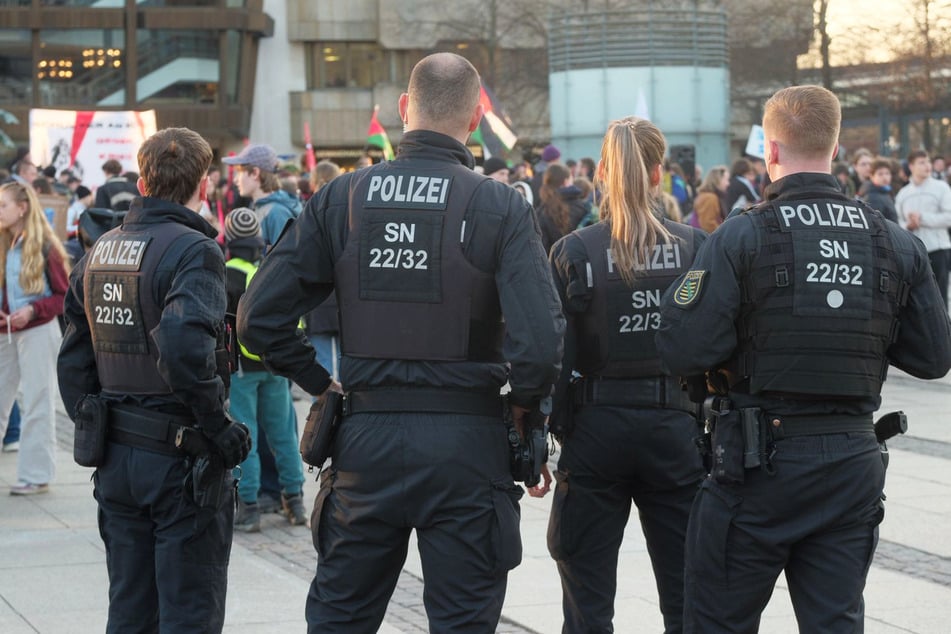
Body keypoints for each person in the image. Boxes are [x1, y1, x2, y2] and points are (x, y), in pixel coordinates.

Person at [236, 52, 565, 633]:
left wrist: (320, 383)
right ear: (473, 121)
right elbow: (540, 343)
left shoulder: (341, 198)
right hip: (468, 446)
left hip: (365, 441)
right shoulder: (499, 206)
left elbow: (257, 319)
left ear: (403, 110)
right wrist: (524, 409)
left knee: (342, 617)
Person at [656, 85, 951, 633]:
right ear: (835, 148)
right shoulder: (892, 242)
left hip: (756, 465)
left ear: (770, 150)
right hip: (850, 460)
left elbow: (681, 346)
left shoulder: (741, 236)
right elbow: (935, 357)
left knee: (717, 621)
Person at [57, 127, 251, 633]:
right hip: (178, 462)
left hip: (118, 460)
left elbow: (73, 359)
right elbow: (186, 349)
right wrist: (218, 424)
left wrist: (95, 422)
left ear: (142, 183)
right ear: (203, 186)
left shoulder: (99, 251)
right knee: (188, 612)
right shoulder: (194, 251)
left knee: (130, 608)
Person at [545, 116, 707, 633]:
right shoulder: (695, 248)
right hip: (676, 430)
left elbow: (551, 352)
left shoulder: (575, 251)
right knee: (686, 599)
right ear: (659, 173)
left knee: (588, 607)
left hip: (594, 431)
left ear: (603, 175)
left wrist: (534, 431)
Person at [223, 207, 306, 532]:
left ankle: (249, 507)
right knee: (284, 434)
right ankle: (295, 500)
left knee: (248, 436)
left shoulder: (227, 272)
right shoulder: (269, 269)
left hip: (241, 368)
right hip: (275, 364)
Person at [0, 181, 69, 495]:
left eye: (3, 205)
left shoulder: (46, 247)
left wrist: (31, 310)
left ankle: (36, 474)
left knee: (38, 401)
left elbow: (63, 296)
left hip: (38, 331)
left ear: (22, 208)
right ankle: (34, 474)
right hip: (6, 333)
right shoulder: (4, 242)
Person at [895, 150, 951, 310]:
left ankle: (944, 333)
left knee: (940, 299)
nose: (927, 166)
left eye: (928, 162)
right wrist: (909, 226)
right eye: (922, 162)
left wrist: (923, 218)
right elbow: (898, 222)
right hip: (914, 254)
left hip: (938, 250)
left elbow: (949, 216)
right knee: (918, 301)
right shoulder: (903, 194)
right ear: (911, 166)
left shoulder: (942, 188)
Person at [222, 144, 302, 250]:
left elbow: (283, 260)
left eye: (240, 172)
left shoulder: (277, 213)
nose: (235, 180)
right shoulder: (259, 205)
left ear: (255, 173)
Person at [537, 162, 596, 253]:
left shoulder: (541, 211)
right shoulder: (583, 207)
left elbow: (542, 248)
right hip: (580, 262)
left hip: (553, 263)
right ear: (566, 181)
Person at [691, 165, 729, 232]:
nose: (728, 183)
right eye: (726, 180)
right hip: (705, 239)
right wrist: (723, 234)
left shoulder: (708, 195)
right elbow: (708, 224)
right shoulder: (710, 198)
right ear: (718, 180)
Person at [862, 157, 899, 223]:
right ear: (871, 176)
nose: (885, 177)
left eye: (887, 173)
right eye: (880, 174)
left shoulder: (887, 192)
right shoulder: (872, 198)